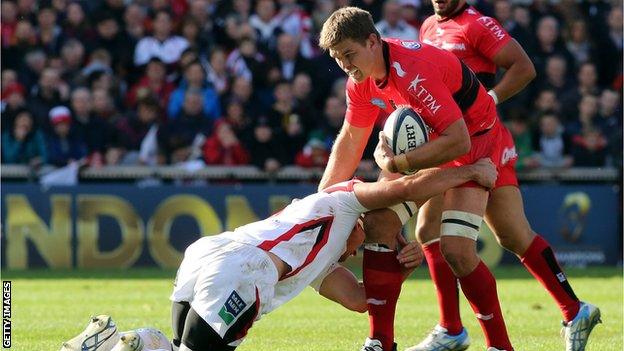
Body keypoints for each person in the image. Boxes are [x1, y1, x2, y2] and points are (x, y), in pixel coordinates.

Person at [317, 6, 597, 351]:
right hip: (434, 141)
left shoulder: (429, 58)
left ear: (373, 42)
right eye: (337, 57)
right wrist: (324, 206)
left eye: (349, 54)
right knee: (379, 222)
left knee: (460, 249)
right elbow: (349, 139)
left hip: (476, 143)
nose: (344, 63)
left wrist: (402, 161)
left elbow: (459, 140)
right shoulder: (365, 76)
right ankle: (382, 341)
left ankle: (500, 344)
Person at [408, 1, 598, 350]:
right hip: (456, 137)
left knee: (436, 234)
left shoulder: (476, 24)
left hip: (474, 141)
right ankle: (575, 309)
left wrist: (489, 100)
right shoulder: (427, 28)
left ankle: (453, 330)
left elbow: (523, 67)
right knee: (512, 234)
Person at [170, 160, 497, 351]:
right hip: (244, 269)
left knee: (173, 346)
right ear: (361, 223)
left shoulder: (318, 260)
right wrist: (468, 172)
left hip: (208, 254)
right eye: (362, 244)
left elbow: (359, 299)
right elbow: (405, 189)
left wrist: (403, 268)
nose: (355, 252)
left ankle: (129, 341)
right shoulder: (342, 201)